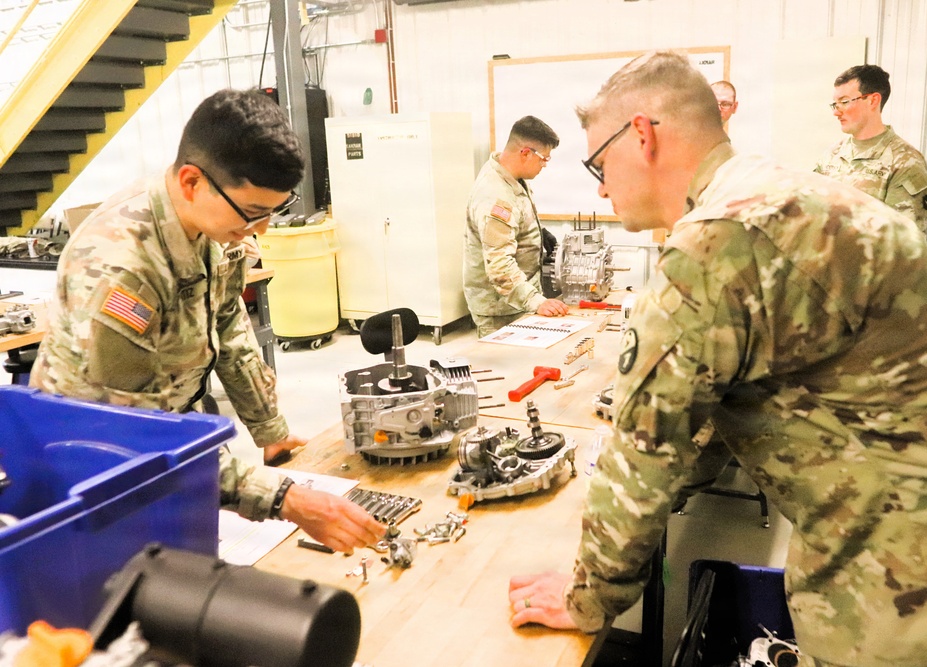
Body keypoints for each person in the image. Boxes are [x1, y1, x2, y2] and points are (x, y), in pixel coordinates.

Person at [508, 51, 927, 667]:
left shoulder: (717, 241)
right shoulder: (779, 193)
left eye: (599, 165)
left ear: (641, 136)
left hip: (924, 586)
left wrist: (589, 596)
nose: (602, 187)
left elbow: (644, 455)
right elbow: (716, 409)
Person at [29, 89, 384, 554]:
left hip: (168, 427)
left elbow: (229, 323)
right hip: (89, 465)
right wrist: (284, 498)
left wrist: (270, 430)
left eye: (273, 212)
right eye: (253, 214)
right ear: (192, 181)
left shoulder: (216, 226)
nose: (262, 229)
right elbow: (134, 435)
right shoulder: (123, 270)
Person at [463, 115, 568, 337]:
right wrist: (536, 301)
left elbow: (512, 221)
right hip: (501, 309)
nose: (545, 165)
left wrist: (538, 233)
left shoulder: (511, 177)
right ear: (525, 153)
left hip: (518, 301)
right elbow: (499, 265)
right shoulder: (495, 194)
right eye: (544, 159)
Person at [815, 64, 927, 233]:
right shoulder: (832, 155)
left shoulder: (905, 162)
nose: (836, 112)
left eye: (844, 102)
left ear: (873, 101)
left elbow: (904, 240)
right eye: (835, 104)